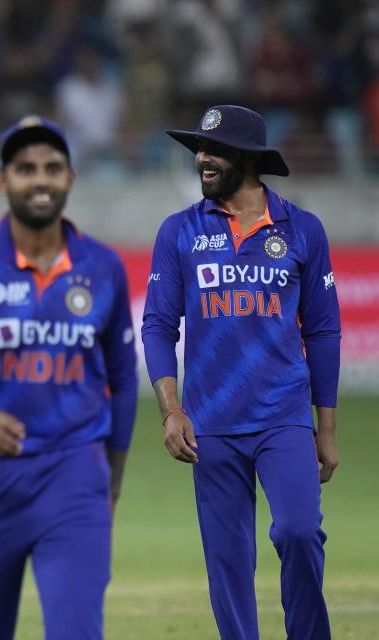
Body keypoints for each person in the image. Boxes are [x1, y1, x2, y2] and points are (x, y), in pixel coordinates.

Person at [0, 116, 138, 639]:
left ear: (70, 178)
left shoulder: (103, 266)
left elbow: (124, 381)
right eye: (25, 169)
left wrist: (110, 483)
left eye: (52, 168)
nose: (39, 180)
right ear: (2, 181)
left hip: (74, 476)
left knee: (76, 630)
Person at [142, 105, 340, 640]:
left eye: (215, 150)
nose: (202, 159)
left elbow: (322, 332)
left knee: (300, 533)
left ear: (249, 159)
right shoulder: (178, 231)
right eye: (199, 149)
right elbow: (158, 326)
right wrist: (172, 409)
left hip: (284, 418)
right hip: (211, 423)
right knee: (228, 563)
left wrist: (326, 429)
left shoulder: (303, 229)